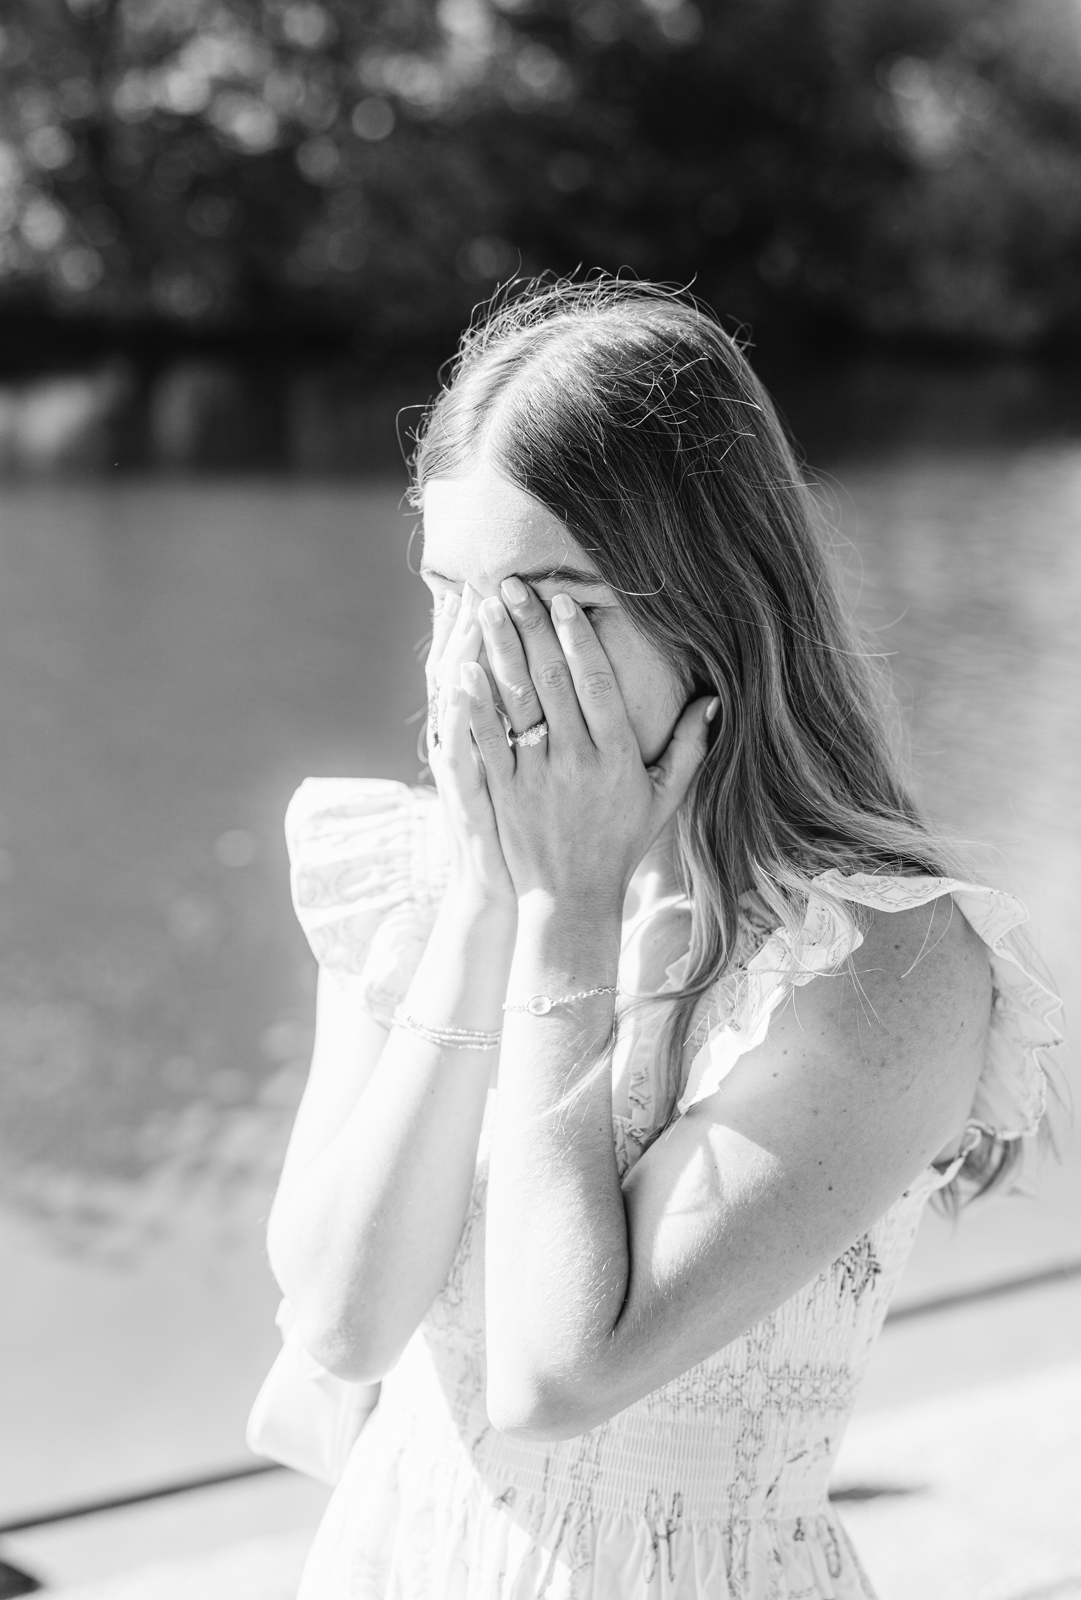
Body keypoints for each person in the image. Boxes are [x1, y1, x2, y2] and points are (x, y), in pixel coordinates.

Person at [264, 280, 1062, 1598]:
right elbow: (343, 1323)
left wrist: (565, 919)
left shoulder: (884, 967)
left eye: (553, 604)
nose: (482, 665)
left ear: (714, 607)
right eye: (452, 595)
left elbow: (557, 1373)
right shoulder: (412, 877)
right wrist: (484, 896)